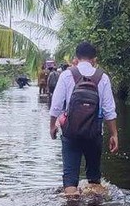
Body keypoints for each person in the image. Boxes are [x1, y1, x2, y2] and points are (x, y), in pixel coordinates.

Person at [49, 41, 118, 195]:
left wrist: (52, 126)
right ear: (94, 59)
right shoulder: (102, 77)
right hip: (94, 134)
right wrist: (114, 134)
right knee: (94, 179)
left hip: (70, 133)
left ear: (76, 57)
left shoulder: (67, 75)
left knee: (70, 179)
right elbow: (109, 111)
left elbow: (56, 105)